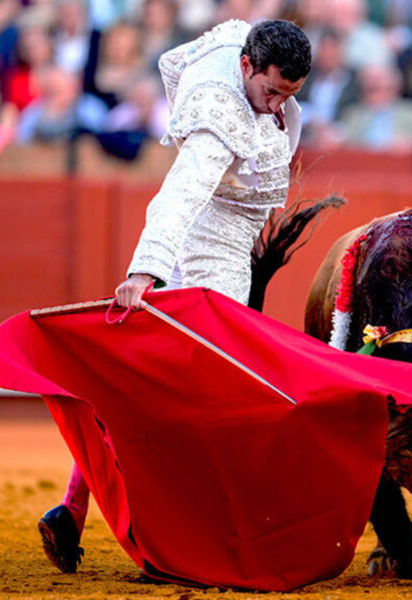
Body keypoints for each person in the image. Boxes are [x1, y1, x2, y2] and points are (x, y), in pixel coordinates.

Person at [37, 18, 311, 574]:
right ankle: (180, 537)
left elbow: (172, 62)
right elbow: (181, 194)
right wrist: (146, 271)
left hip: (220, 243)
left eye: (289, 95)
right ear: (246, 68)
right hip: (214, 262)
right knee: (203, 402)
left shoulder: (241, 48)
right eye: (271, 91)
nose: (277, 105)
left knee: (150, 385)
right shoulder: (219, 116)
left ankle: (73, 505)